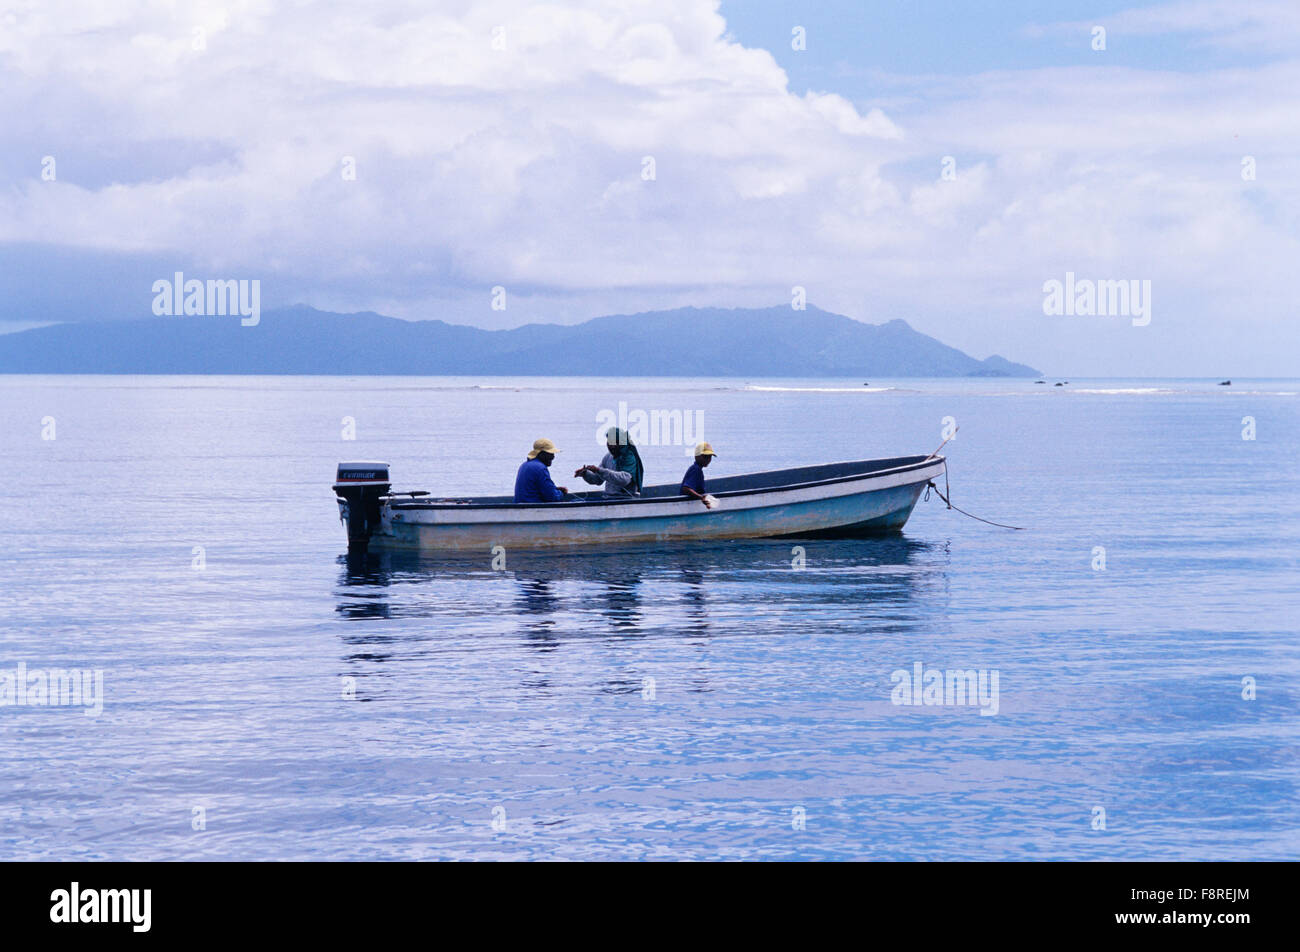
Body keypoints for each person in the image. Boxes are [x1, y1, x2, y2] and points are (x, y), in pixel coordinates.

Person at [576, 427, 644, 498]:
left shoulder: (629, 457)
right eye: (609, 442)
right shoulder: (608, 457)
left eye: (615, 443)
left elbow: (624, 480)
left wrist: (599, 470)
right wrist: (585, 474)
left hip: (626, 498)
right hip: (609, 497)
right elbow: (598, 480)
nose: (611, 446)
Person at [514, 438, 568, 503]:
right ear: (541, 454)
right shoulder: (540, 468)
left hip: (522, 505)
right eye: (550, 454)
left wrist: (555, 489)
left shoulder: (524, 465)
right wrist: (561, 493)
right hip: (533, 506)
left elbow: (538, 488)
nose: (553, 457)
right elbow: (552, 497)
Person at [680, 441, 717, 506]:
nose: (708, 459)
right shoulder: (695, 469)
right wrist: (701, 497)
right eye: (705, 456)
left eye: (710, 457)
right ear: (697, 457)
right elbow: (686, 488)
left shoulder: (698, 469)